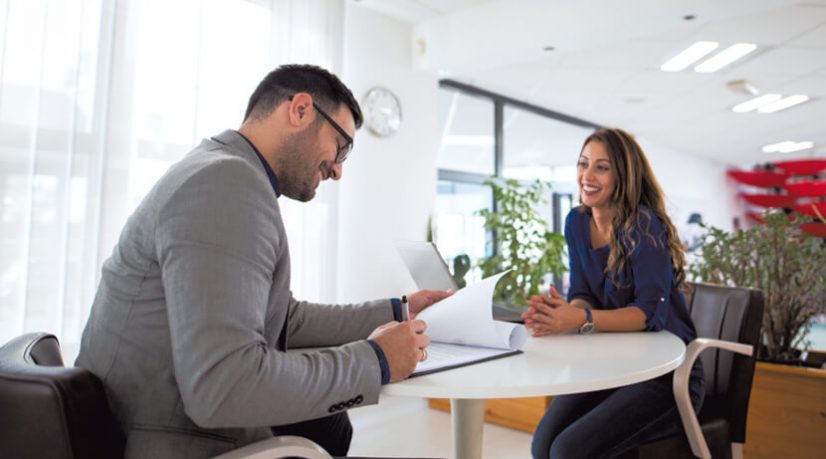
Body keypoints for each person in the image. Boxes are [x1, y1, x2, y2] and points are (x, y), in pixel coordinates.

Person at [75, 64, 450, 459]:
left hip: (149, 417)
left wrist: (402, 310)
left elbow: (285, 318)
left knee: (328, 423)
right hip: (167, 439)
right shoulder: (225, 184)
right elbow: (222, 386)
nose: (338, 170)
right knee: (329, 425)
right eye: (341, 147)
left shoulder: (221, 170)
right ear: (300, 110)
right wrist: (376, 360)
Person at [523, 128, 705, 459]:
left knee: (567, 450)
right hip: (614, 365)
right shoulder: (576, 222)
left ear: (623, 175)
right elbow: (583, 292)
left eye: (601, 167)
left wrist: (580, 317)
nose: (587, 176)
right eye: (583, 164)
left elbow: (650, 315)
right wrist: (563, 314)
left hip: (667, 375)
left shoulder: (643, 225)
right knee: (542, 443)